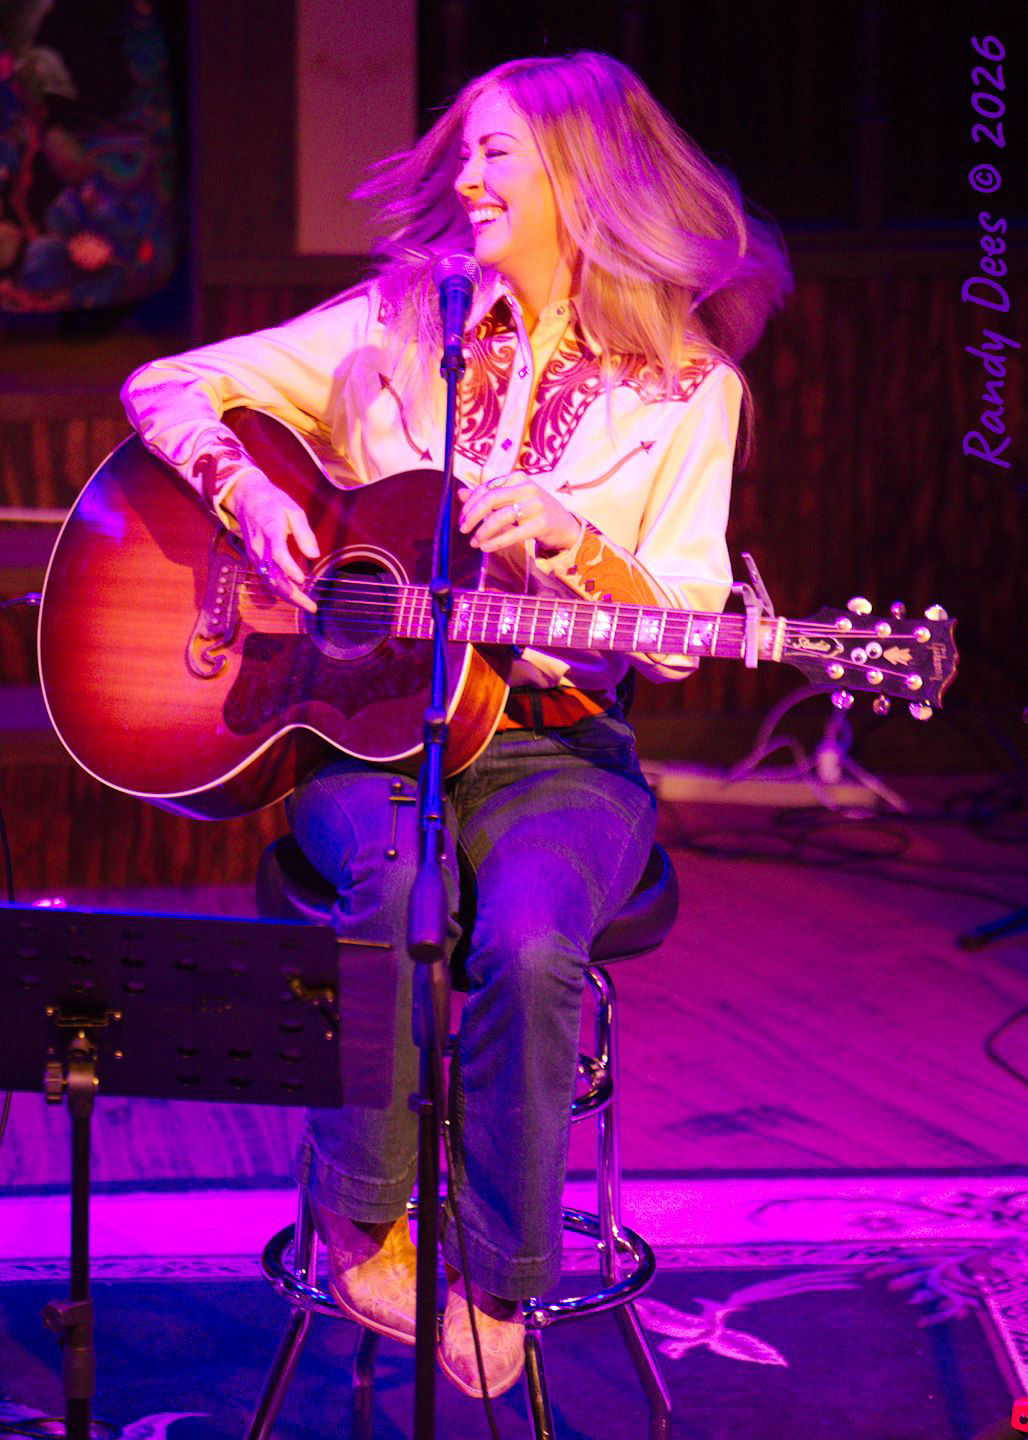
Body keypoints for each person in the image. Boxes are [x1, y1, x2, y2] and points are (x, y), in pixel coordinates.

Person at [121, 51, 790, 1398]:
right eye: (469, 150)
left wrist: (580, 551)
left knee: (534, 940)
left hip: (556, 748)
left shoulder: (689, 392)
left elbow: (680, 622)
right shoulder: (392, 321)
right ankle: (359, 1221)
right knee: (396, 881)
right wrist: (246, 494)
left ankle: (499, 1284)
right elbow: (163, 385)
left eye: (501, 155)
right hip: (371, 729)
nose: (471, 178)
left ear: (582, 181)